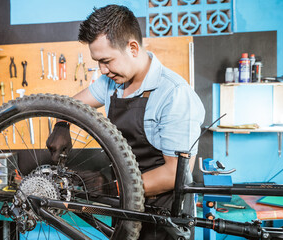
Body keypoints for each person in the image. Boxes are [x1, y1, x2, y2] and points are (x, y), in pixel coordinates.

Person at [46, 4, 205, 239]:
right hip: (126, 209)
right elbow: (72, 106)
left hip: (164, 219)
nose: (102, 70)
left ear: (132, 48)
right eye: (98, 62)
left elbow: (175, 174)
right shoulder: (112, 83)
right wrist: (62, 123)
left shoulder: (174, 94)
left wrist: (114, 187)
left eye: (107, 60)